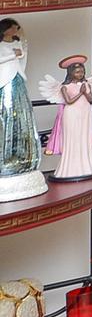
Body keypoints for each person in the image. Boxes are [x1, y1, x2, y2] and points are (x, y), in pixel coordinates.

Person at [0, 20, 45, 201]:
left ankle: (22, 156)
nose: (15, 30)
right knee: (7, 114)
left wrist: (18, 54)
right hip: (5, 81)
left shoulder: (17, 42)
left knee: (20, 114)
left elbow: (22, 57)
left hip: (17, 80)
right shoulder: (2, 45)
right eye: (12, 27)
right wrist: (12, 56)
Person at [41, 55, 92, 183]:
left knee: (83, 137)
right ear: (71, 73)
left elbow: (91, 100)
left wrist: (85, 92)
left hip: (86, 114)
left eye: (82, 72)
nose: (80, 74)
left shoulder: (86, 84)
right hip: (72, 114)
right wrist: (80, 92)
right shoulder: (65, 87)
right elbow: (68, 101)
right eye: (77, 72)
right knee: (73, 139)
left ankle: (87, 165)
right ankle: (70, 168)